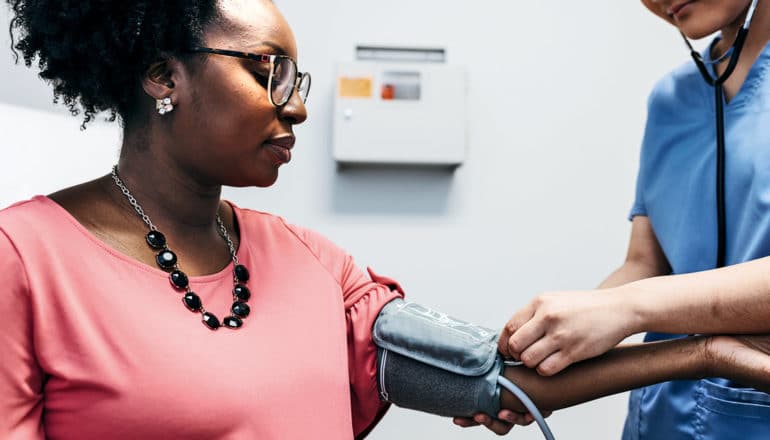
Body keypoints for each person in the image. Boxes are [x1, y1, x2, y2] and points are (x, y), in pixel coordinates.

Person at [2, 1, 770, 439]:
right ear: (162, 75)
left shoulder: (316, 266)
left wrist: (702, 354)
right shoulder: (23, 263)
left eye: (296, 78)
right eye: (268, 71)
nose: (298, 103)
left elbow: (488, 382)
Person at [497, 0, 770, 438]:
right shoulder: (671, 100)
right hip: (660, 417)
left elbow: (634, 299)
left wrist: (625, 309)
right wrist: (545, 352)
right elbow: (645, 264)